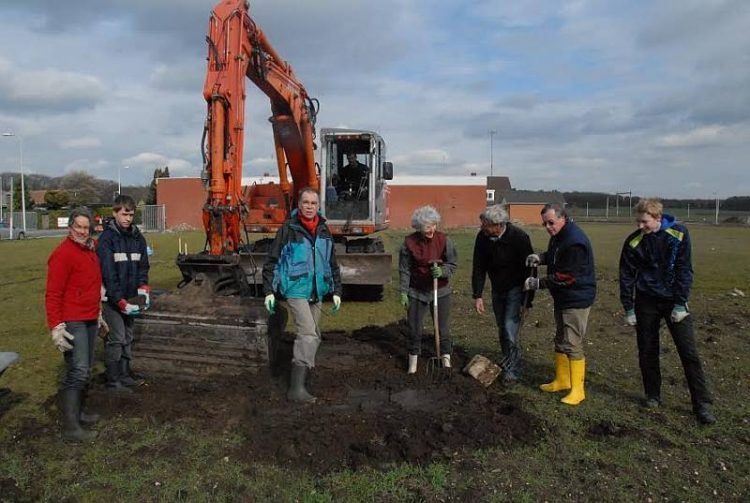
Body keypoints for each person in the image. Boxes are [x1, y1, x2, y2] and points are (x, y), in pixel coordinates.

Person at [619, 198, 715, 425]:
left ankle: (701, 404)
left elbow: (684, 269)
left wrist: (681, 303)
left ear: (657, 218)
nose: (640, 226)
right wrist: (628, 307)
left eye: (644, 222)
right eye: (638, 221)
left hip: (673, 301)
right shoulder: (634, 241)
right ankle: (653, 395)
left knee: (688, 352)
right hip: (646, 302)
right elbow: (626, 275)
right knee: (647, 350)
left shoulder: (679, 234)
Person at [262, 188, 342, 403]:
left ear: (318, 206)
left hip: (317, 289)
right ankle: (295, 389)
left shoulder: (324, 230)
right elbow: (272, 261)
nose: (309, 206)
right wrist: (269, 291)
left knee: (315, 333)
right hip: (296, 288)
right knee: (307, 333)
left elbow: (332, 263)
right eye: (305, 202)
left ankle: (305, 377)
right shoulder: (289, 229)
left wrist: (336, 291)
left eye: (313, 203)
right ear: (299, 204)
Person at [45, 207, 108, 441]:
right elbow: (53, 294)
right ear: (70, 227)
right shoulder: (63, 254)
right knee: (78, 370)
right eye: (78, 227)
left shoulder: (90, 250)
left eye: (86, 227)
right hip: (74, 320)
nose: (82, 231)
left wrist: (98, 313)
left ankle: (79, 413)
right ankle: (71, 427)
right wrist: (56, 326)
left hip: (90, 317)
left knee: (86, 366)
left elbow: (92, 284)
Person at [524, 203, 596, 406]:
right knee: (561, 338)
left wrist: (539, 283)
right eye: (545, 223)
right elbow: (557, 259)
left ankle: (578, 390)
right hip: (563, 297)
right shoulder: (559, 236)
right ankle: (562, 380)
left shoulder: (575, 242)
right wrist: (540, 257)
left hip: (576, 297)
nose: (547, 227)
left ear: (563, 218)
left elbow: (567, 275)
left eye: (551, 222)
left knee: (572, 342)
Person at [471, 205, 534, 386]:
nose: (482, 228)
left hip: (516, 288)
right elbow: (478, 266)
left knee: (509, 328)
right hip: (497, 288)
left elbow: (531, 270)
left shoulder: (519, 238)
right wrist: (478, 294)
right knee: (502, 328)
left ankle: (512, 371)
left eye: (486, 225)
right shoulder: (483, 238)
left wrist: (527, 301)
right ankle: (507, 360)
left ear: (498, 225)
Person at [97, 195, 150, 393]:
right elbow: (109, 274)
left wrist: (143, 289)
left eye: (131, 214)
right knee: (117, 337)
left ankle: (125, 374)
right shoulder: (107, 240)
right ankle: (113, 379)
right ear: (115, 213)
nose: (128, 218)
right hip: (112, 299)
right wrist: (119, 300)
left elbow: (143, 266)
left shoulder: (138, 238)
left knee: (128, 336)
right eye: (124, 214)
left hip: (131, 298)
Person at [399, 205, 458, 374]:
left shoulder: (444, 240)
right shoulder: (409, 243)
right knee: (414, 328)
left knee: (442, 328)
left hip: (441, 291)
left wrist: (442, 271)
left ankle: (446, 361)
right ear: (418, 227)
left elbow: (452, 264)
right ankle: (413, 364)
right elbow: (405, 270)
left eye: (433, 225)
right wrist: (403, 291)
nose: (431, 229)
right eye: (427, 226)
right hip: (417, 292)